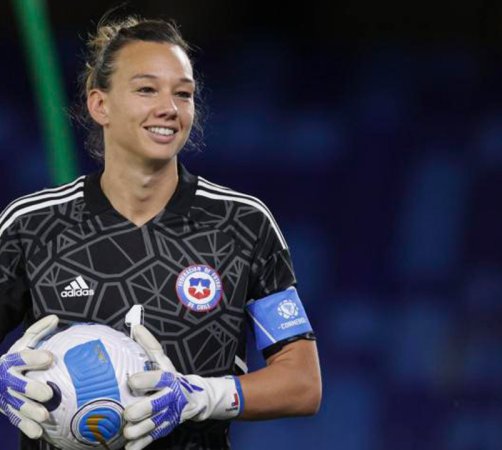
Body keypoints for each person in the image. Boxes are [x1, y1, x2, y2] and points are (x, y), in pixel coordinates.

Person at [0, 14, 321, 450]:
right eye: (146, 89)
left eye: (183, 93)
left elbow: (303, 384)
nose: (169, 107)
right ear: (100, 105)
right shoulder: (32, 224)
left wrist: (200, 396)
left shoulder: (243, 223)